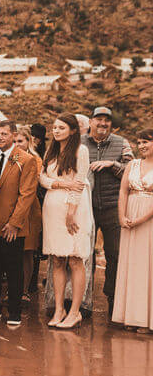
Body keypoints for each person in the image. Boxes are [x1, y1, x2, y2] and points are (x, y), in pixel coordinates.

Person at [0, 121, 38, 325]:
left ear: (13, 135)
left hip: (12, 224)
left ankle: (14, 311)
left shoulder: (26, 159)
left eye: (3, 134)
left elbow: (27, 194)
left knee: (13, 268)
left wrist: (14, 223)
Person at [39, 114, 93, 329]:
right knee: (58, 259)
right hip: (52, 206)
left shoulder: (81, 151)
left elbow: (79, 183)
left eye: (61, 127)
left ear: (72, 130)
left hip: (75, 209)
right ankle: (59, 308)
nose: (56, 131)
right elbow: (42, 178)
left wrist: (71, 212)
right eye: (54, 127)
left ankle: (74, 311)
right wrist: (60, 183)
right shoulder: (51, 151)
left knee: (74, 258)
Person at [84, 106, 133, 309]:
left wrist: (111, 164)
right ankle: (84, 301)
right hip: (86, 207)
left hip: (113, 206)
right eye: (98, 119)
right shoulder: (79, 142)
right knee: (85, 255)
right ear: (90, 122)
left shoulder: (122, 143)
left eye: (107, 120)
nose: (103, 124)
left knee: (114, 254)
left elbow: (131, 173)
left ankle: (113, 300)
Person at [112, 129, 153, 332]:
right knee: (131, 264)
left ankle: (147, 320)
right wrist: (122, 216)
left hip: (148, 221)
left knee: (148, 266)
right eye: (139, 142)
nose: (142, 145)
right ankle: (130, 316)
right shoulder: (132, 164)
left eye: (146, 141)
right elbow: (123, 191)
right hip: (129, 218)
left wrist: (141, 219)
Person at [14, 127, 45, 297]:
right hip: (10, 206)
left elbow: (30, 185)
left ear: (28, 142)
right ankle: (13, 289)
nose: (17, 145)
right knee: (12, 253)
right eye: (15, 141)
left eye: (20, 141)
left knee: (27, 251)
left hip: (30, 208)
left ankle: (24, 290)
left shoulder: (36, 160)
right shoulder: (7, 157)